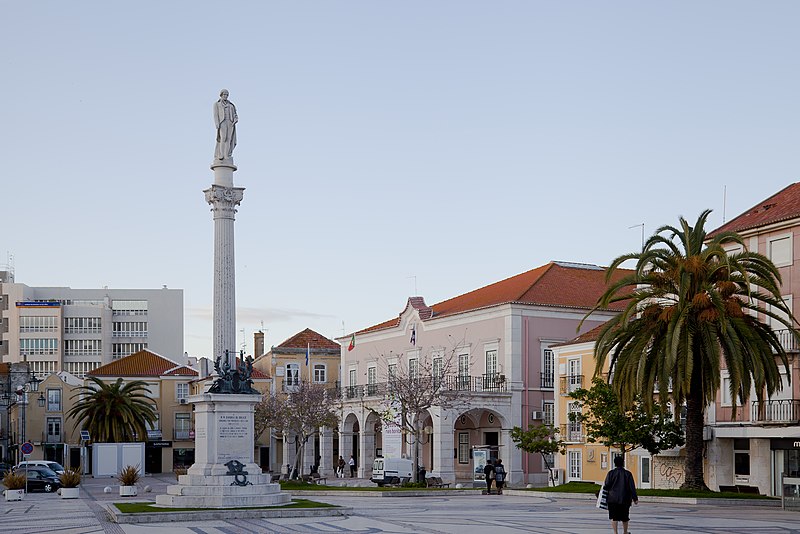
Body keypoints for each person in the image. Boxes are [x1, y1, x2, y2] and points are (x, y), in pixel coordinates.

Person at [603, 456, 638, 534]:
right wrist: (635, 498)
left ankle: (615, 532)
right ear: (623, 463)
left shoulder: (611, 473)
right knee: (625, 517)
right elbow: (632, 487)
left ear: (615, 463)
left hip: (612, 499)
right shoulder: (628, 474)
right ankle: (625, 532)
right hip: (625, 499)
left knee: (613, 516)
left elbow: (606, 485)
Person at [213, 89, 238, 161]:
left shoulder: (231, 105)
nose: (225, 96)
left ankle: (226, 155)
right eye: (224, 94)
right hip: (222, 122)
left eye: (227, 95)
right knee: (223, 138)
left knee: (228, 139)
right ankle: (221, 154)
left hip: (230, 122)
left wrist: (236, 119)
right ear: (221, 95)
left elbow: (235, 115)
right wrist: (217, 124)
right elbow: (215, 115)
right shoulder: (217, 104)